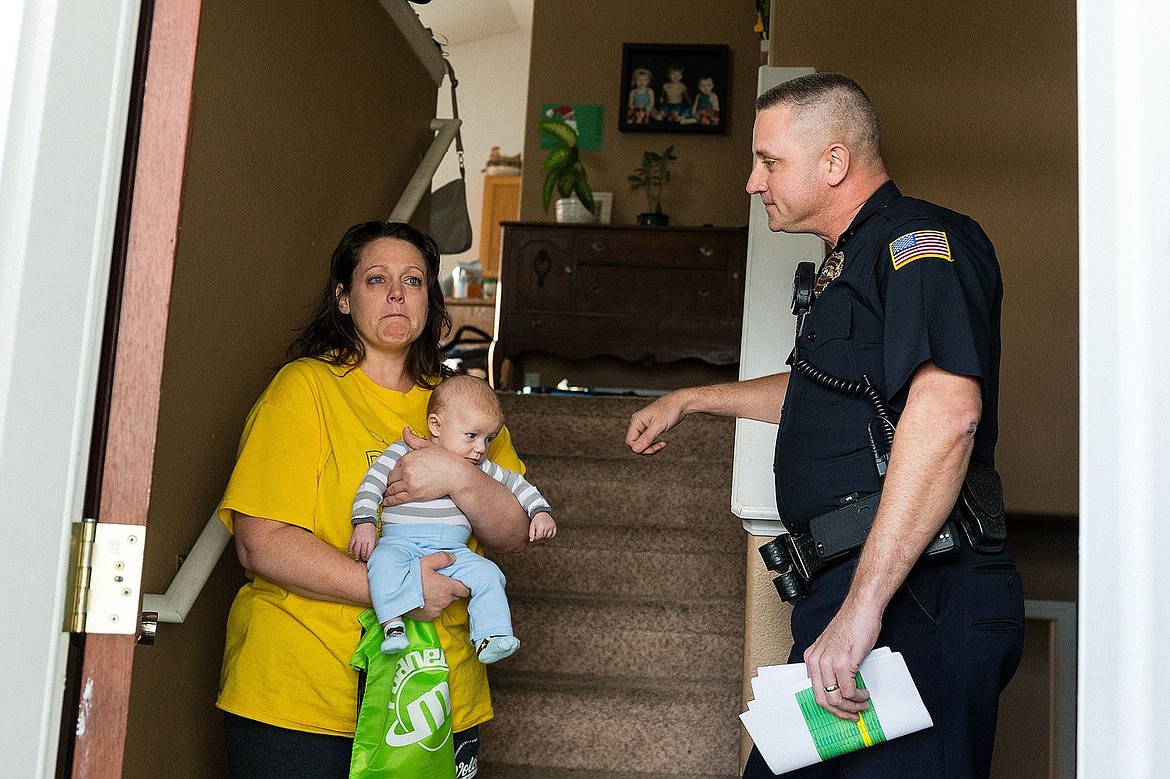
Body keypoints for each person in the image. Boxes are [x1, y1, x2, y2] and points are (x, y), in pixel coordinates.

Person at [626, 73, 1024, 778]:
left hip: (914, 598)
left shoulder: (919, 245)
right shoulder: (848, 265)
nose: (753, 182)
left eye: (769, 162)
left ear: (834, 162)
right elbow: (827, 395)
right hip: (852, 596)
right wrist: (692, 398)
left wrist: (865, 607)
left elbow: (948, 411)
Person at [215, 220, 532, 779]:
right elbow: (260, 544)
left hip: (434, 691)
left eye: (412, 281)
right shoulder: (304, 388)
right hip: (303, 692)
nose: (395, 293)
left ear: (430, 299)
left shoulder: (463, 404)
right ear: (343, 297)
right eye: (376, 279)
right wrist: (405, 590)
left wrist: (458, 477)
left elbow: (511, 532)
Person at [349, 373, 557, 662]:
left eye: (488, 439)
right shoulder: (404, 450)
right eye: (472, 436)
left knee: (489, 574)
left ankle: (491, 636)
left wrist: (540, 511)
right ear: (435, 425)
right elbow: (371, 484)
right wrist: (365, 523)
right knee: (381, 564)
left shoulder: (478, 467)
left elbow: (518, 485)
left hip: (454, 552)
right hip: (401, 543)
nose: (481, 448)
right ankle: (392, 625)